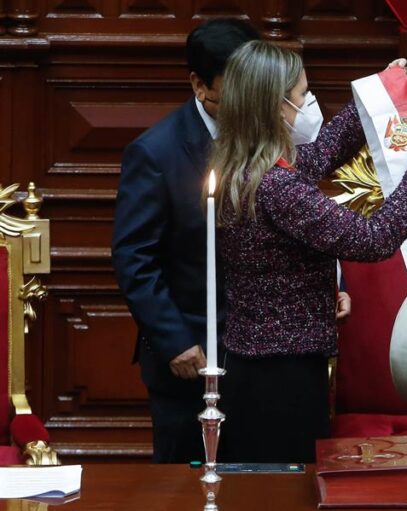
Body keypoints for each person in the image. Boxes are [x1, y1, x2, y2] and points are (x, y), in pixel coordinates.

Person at [213, 41, 407, 463]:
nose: (308, 103)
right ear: (277, 106)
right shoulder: (277, 186)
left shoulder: (245, 166)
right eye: (303, 95)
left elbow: (321, 154)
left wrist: (380, 91)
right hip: (282, 375)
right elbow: (371, 238)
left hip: (257, 364)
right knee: (283, 490)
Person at [111, 18, 259, 463]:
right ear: (199, 84)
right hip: (189, 357)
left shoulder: (267, 135)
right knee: (184, 484)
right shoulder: (155, 152)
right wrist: (174, 339)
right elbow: (134, 258)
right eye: (236, 87)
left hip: (259, 355)